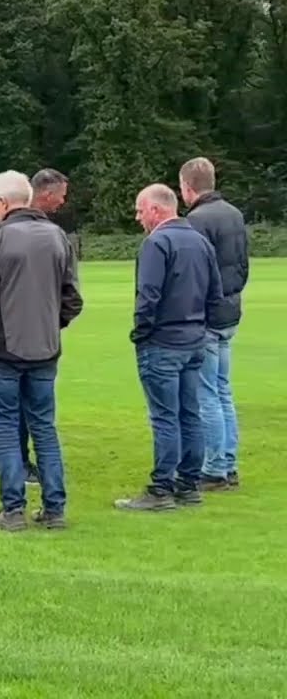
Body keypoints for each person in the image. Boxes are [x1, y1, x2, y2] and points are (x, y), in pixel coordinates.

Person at [0, 170, 83, 531]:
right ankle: (55, 509)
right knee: (44, 427)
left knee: (6, 427)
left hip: (2, 348)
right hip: (45, 350)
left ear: (2, 203)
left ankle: (13, 510)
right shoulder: (58, 237)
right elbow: (72, 298)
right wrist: (51, 324)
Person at [115, 184, 224, 512]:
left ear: (156, 209)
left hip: (162, 342)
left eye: (139, 209)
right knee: (189, 413)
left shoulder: (157, 243)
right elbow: (215, 294)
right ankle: (188, 484)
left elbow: (147, 295)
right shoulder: (201, 242)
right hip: (194, 340)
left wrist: (141, 332)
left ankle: (160, 488)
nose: (137, 217)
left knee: (164, 417)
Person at [178, 158, 249, 491]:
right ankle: (229, 462)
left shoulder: (196, 221)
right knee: (222, 389)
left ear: (187, 187)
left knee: (205, 392)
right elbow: (242, 265)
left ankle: (215, 468)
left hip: (206, 315)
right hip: (231, 310)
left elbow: (195, 273)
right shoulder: (234, 214)